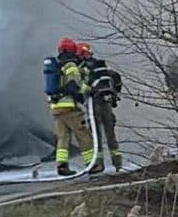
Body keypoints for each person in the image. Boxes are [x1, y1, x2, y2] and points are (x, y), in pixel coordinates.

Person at [50, 38, 102, 176]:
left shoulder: (57, 65)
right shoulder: (71, 65)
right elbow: (76, 84)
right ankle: (92, 164)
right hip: (69, 108)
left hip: (56, 108)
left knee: (63, 138)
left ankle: (61, 166)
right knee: (83, 135)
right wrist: (90, 90)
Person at [77, 42, 123, 172]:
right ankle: (118, 163)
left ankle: (99, 164)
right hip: (107, 103)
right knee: (111, 134)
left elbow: (81, 85)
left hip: (94, 104)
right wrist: (115, 95)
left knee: (95, 136)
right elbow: (116, 76)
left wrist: (82, 95)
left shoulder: (83, 68)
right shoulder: (101, 66)